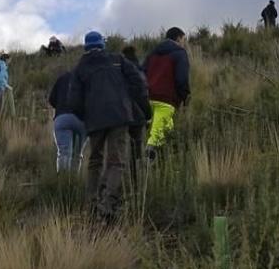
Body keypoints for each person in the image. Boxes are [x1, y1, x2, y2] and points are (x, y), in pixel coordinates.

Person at [64, 30, 151, 223]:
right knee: (116, 161)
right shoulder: (117, 60)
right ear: (102, 45)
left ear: (86, 47)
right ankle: (107, 204)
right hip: (119, 116)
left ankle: (92, 203)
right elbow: (138, 83)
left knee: (95, 160)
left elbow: (73, 101)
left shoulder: (80, 68)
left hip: (94, 121)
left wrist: (86, 115)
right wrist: (143, 109)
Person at [143, 27, 190, 160]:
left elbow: (141, 72)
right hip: (166, 100)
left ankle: (165, 162)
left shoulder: (152, 53)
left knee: (168, 129)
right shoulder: (180, 53)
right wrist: (184, 97)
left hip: (148, 98)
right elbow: (181, 79)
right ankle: (147, 168)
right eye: (183, 39)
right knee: (156, 137)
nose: (184, 43)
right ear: (178, 38)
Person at [47, 69, 86, 172]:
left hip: (62, 118)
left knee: (64, 153)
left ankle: (62, 182)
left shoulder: (62, 78)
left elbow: (52, 101)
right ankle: (74, 181)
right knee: (77, 155)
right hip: (81, 119)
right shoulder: (86, 79)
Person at [121, 45, 149, 185]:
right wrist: (148, 114)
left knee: (120, 148)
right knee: (137, 147)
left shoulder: (119, 72)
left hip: (121, 115)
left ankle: (123, 180)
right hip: (138, 115)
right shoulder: (139, 71)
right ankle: (136, 181)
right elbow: (143, 94)